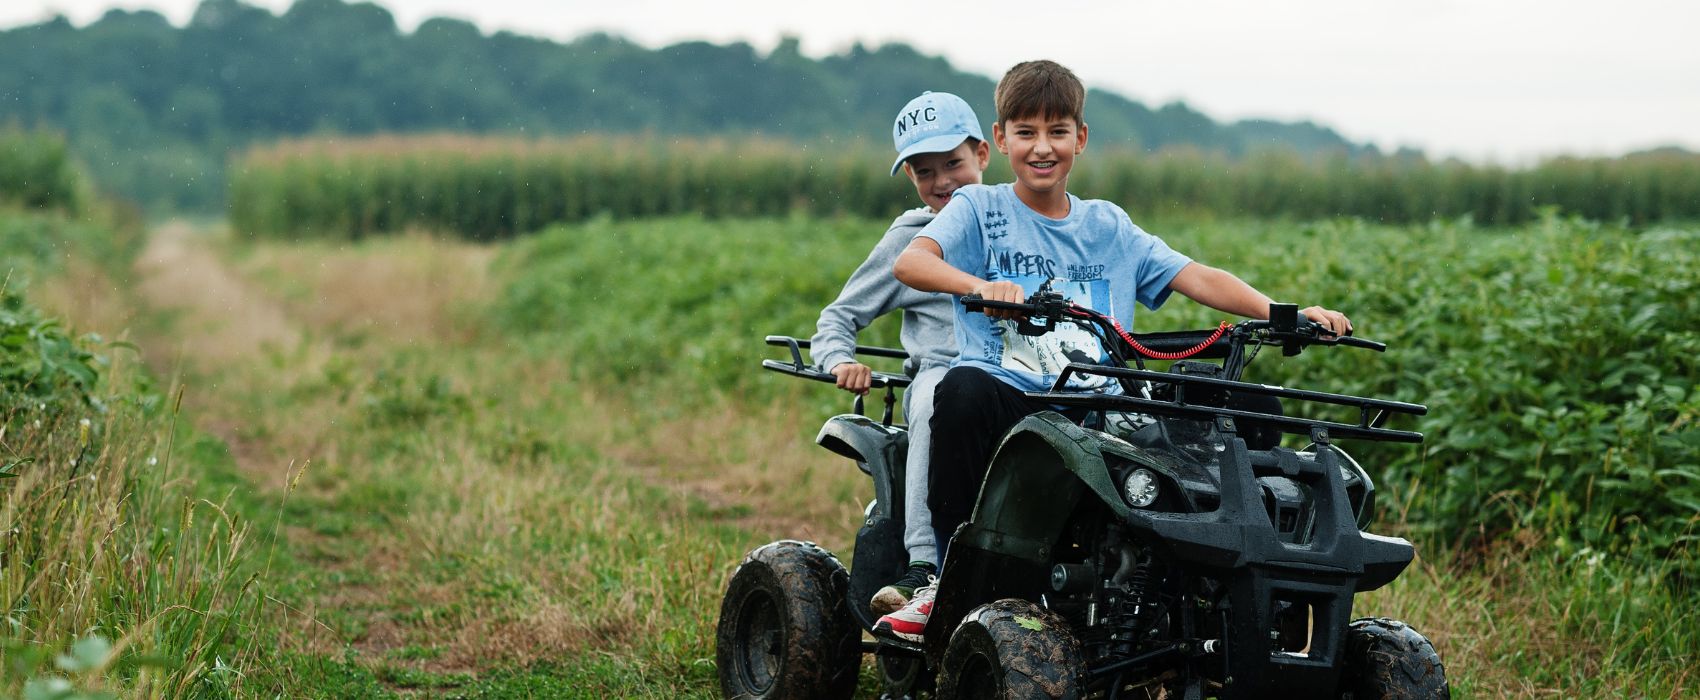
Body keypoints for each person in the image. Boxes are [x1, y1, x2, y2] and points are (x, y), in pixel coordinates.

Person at [875, 60, 1352, 642]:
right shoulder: (979, 209)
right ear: (1000, 141)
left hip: (1099, 404)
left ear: (1080, 138)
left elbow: (1194, 275)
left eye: (1057, 132)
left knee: (1244, 402)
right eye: (1025, 133)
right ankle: (946, 580)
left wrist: (1286, 315)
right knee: (960, 389)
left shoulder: (1109, 227)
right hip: (1014, 399)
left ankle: (1226, 585)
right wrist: (981, 287)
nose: (1042, 148)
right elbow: (912, 262)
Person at [809, 90, 991, 616]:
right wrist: (840, 359)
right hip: (943, 374)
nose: (942, 182)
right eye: (923, 171)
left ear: (981, 154)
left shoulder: (1015, 222)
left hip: (1015, 377)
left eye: (953, 163)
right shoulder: (911, 237)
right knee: (937, 394)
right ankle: (922, 565)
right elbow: (839, 316)